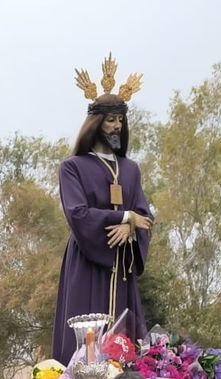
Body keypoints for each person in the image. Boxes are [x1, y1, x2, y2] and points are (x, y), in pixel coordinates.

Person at [53, 58, 151, 362]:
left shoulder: (131, 169)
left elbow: (145, 216)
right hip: (87, 262)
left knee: (126, 341)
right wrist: (125, 217)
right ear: (95, 124)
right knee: (86, 334)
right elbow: (78, 214)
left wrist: (132, 226)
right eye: (110, 120)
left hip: (121, 267)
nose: (116, 127)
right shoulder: (73, 167)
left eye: (120, 121)